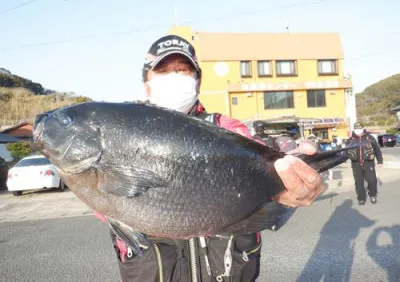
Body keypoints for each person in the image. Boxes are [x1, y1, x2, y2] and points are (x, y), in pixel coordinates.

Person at [97, 34, 324, 282]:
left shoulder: (225, 127)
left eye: (182, 71)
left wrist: (289, 171)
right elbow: (102, 198)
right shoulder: (124, 132)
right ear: (147, 82)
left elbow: (254, 154)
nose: (174, 77)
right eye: (163, 70)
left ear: (197, 81)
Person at [347, 122, 383, 205]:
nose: (358, 130)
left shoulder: (370, 138)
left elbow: (377, 149)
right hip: (356, 164)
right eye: (356, 129)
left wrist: (380, 161)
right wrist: (343, 159)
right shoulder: (350, 139)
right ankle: (361, 198)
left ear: (363, 128)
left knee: (372, 180)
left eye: (359, 128)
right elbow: (345, 151)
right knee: (358, 183)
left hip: (368, 163)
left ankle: (373, 195)